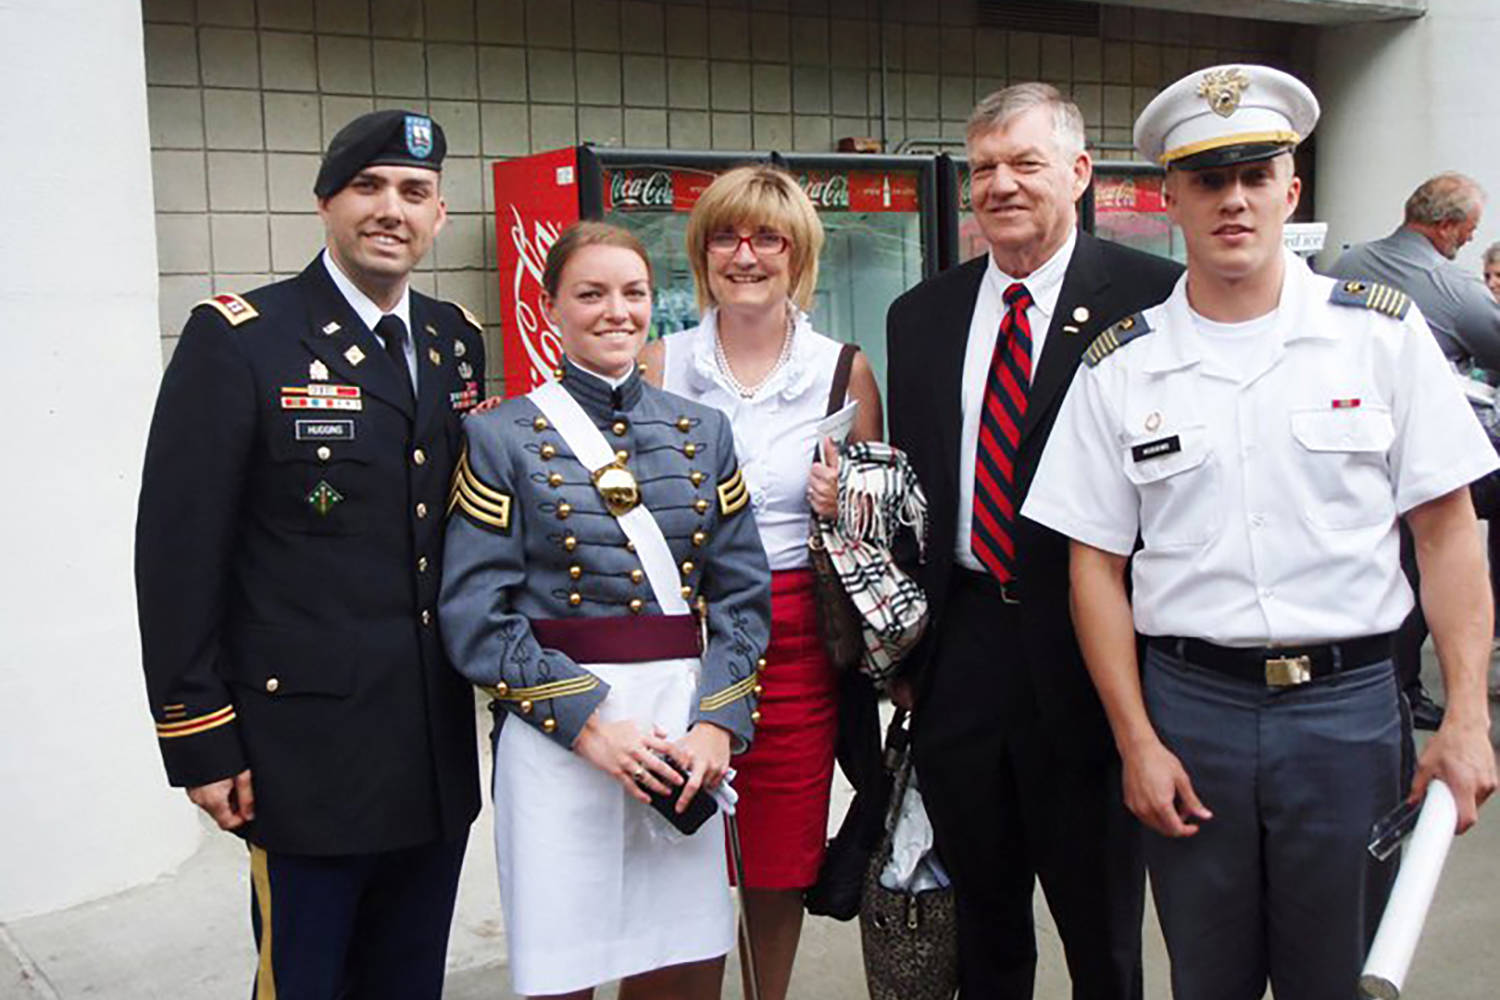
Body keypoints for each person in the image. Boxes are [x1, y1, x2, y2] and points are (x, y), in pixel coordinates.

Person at [1024, 65, 1499, 1000]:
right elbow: (1095, 570)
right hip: (1191, 712)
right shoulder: (1123, 367)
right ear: (1169, 198)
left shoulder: (1383, 339)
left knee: (1342, 977)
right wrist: (1136, 740)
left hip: (1349, 715)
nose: (1233, 200)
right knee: (1209, 979)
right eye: (1207, 179)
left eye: (1255, 174)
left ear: (1292, 187)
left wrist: (1470, 721)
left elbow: (1449, 537)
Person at [135, 110, 485, 998]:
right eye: (368, 186)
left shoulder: (453, 340)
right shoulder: (243, 338)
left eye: (414, 192)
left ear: (438, 215)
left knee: (409, 983)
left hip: (431, 751)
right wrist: (200, 738)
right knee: (305, 982)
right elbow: (178, 551)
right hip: (303, 756)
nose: (390, 209)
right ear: (326, 202)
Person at [885, 83, 1181, 999]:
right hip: (961, 650)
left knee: (1102, 935)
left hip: (1095, 651)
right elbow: (914, 491)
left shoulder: (1153, 299)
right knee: (984, 924)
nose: (1001, 185)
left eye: (1026, 163)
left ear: (1080, 173)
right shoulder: (920, 315)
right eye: (983, 169)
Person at [439, 221, 772, 1000]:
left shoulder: (705, 432)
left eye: (633, 293)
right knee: (564, 964)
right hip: (561, 735)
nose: (615, 311)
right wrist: (591, 726)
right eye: (590, 294)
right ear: (551, 308)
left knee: (681, 965)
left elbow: (742, 597)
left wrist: (717, 725)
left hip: (680, 731)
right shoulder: (498, 436)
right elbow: (475, 615)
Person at [638, 164, 882, 1000]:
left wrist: (843, 501)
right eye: (725, 237)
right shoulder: (658, 363)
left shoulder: (842, 371)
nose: (745, 255)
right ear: (702, 254)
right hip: (679, 630)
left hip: (794, 630)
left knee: (778, 851)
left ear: (798, 253)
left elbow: (871, 535)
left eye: (766, 237)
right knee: (675, 837)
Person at [1328, 173, 1500, 728]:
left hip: (1344, 449)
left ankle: (1394, 682)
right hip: (1422, 451)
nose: (1468, 244)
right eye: (1468, 233)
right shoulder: (1451, 285)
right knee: (1432, 554)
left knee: (1391, 560)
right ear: (1446, 226)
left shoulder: (1345, 267)